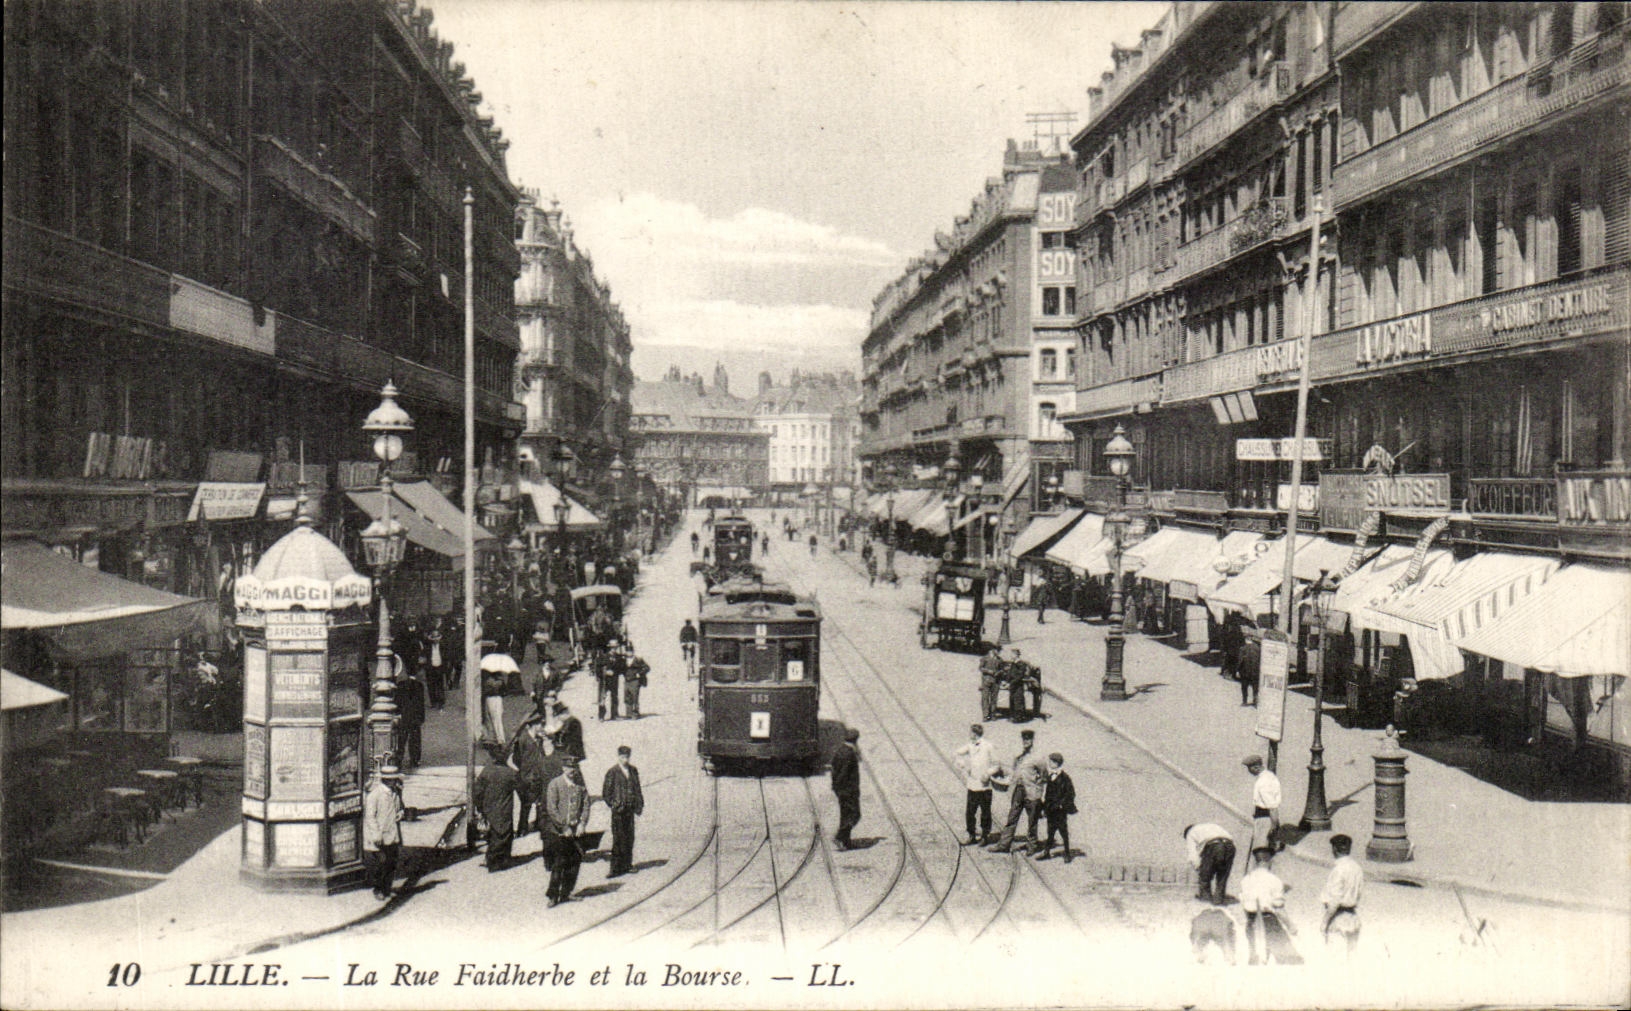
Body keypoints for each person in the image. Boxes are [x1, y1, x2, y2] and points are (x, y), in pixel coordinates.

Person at [1240, 847, 1302, 965]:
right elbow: (1278, 908)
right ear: (1270, 861)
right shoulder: (1274, 880)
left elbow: (1244, 904)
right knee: (1292, 961)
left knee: (1256, 960)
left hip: (1251, 922)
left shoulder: (1245, 880)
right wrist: (1291, 926)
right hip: (1269, 922)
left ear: (1256, 861)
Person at [544, 756, 591, 907]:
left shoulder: (580, 786)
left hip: (575, 831)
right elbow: (552, 808)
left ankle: (567, 892)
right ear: (563, 768)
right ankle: (553, 895)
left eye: (574, 768)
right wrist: (564, 827)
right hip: (559, 833)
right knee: (559, 864)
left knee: (574, 863)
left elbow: (586, 805)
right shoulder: (555, 784)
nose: (572, 771)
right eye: (569, 768)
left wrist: (582, 824)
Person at [990, 729, 1045, 854]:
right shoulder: (1019, 757)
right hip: (1019, 791)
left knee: (1032, 821)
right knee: (1012, 817)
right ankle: (1004, 844)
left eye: (1028, 739)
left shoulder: (1038, 757)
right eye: (1024, 739)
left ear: (1032, 740)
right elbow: (1014, 772)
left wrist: (1037, 788)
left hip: (1032, 792)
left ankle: (1032, 845)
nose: (1026, 742)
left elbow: (1044, 775)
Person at [362, 764, 405, 900]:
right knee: (381, 863)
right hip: (379, 835)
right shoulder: (375, 795)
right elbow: (370, 816)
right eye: (393, 779)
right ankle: (378, 888)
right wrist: (376, 834)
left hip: (392, 834)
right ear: (386, 780)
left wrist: (400, 813)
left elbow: (399, 807)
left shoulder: (395, 793)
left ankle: (387, 888)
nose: (396, 782)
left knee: (391, 863)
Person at [601, 745, 645, 877]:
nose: (625, 760)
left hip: (629, 809)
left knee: (629, 837)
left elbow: (637, 788)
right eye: (622, 757)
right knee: (618, 839)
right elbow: (606, 793)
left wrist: (639, 804)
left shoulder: (633, 771)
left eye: (627, 757)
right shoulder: (612, 772)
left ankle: (627, 865)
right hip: (618, 811)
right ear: (618, 757)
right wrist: (614, 804)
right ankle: (615, 868)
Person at [476, 743, 518, 871]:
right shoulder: (511, 773)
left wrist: (480, 808)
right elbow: (523, 788)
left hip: (488, 808)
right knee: (504, 833)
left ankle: (493, 858)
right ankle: (497, 860)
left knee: (492, 833)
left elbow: (477, 791)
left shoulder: (486, 771)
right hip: (504, 808)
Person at [1320, 834, 1363, 957]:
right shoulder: (1357, 868)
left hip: (1338, 919)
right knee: (1352, 957)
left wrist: (1324, 923)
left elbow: (1335, 901)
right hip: (1353, 918)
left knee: (1336, 960)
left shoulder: (1338, 870)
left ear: (1334, 849)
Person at [954, 723, 997, 845]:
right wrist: (963, 765)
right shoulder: (970, 745)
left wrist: (988, 774)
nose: (969, 735)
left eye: (971, 733)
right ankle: (971, 835)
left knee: (985, 812)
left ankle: (985, 835)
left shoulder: (988, 746)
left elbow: (996, 764)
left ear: (975, 734)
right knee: (970, 812)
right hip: (973, 785)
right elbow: (957, 753)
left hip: (984, 786)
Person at [1036, 753, 1077, 862]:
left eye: (1051, 762)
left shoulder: (1065, 778)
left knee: (1063, 832)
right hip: (1050, 809)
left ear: (1056, 763)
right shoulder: (1050, 776)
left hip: (1059, 811)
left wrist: (1061, 804)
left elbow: (1071, 793)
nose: (1049, 763)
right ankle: (1047, 852)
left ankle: (1067, 853)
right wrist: (1045, 807)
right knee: (1050, 832)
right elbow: (1048, 794)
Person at [1184, 822, 1238, 905]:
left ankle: (1205, 900)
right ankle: (1218, 900)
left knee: (1204, 876)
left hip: (1214, 846)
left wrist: (1199, 867)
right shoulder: (1210, 826)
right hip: (1230, 846)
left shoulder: (1190, 833)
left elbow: (1193, 854)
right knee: (1222, 876)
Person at [1243, 755, 1281, 866]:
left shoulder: (1263, 782)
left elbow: (1272, 806)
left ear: (1255, 767)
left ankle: (1259, 872)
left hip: (1264, 817)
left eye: (1249, 768)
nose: (1248, 771)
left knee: (1260, 849)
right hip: (1264, 816)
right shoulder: (1269, 776)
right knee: (1264, 847)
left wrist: (1274, 825)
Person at [830, 726, 861, 850]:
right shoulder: (849, 754)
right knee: (854, 814)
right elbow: (843, 774)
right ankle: (839, 836)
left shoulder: (840, 750)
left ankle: (846, 842)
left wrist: (836, 787)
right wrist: (843, 789)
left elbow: (834, 769)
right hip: (847, 790)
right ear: (855, 740)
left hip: (842, 789)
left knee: (845, 814)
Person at [396, 665, 428, 769]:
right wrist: (421, 717)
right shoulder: (419, 686)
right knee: (415, 739)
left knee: (401, 739)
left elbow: (398, 702)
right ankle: (415, 760)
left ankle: (398, 759)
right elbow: (421, 703)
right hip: (415, 717)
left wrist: (398, 713)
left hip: (404, 716)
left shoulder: (401, 685)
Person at [542, 693, 585, 761]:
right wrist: (551, 735)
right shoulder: (567, 722)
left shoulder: (574, 722)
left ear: (564, 713)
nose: (558, 718)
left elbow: (569, 738)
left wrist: (555, 738)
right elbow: (561, 733)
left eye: (558, 716)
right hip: (569, 753)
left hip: (573, 754)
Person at [480, 657, 508, 745]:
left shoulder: (488, 678)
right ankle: (497, 737)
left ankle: (498, 738)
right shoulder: (499, 678)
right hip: (496, 697)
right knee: (496, 718)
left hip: (492, 698)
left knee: (494, 718)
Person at [597, 640, 624, 721]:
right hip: (604, 681)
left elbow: (622, 668)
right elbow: (597, 669)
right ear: (609, 648)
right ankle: (601, 716)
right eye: (612, 648)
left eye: (615, 647)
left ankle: (614, 714)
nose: (614, 649)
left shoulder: (619, 657)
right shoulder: (603, 657)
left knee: (614, 697)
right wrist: (604, 672)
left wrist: (615, 672)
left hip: (614, 680)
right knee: (602, 698)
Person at [623, 648, 650, 719]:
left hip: (635, 680)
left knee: (635, 697)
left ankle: (635, 713)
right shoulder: (623, 660)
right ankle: (628, 714)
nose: (629, 653)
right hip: (627, 680)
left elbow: (647, 668)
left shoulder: (638, 660)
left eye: (630, 651)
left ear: (633, 652)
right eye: (627, 651)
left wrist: (639, 673)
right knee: (627, 696)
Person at [978, 647, 1003, 722]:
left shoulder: (1000, 660)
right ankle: (985, 715)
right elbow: (980, 668)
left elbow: (1002, 669)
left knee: (994, 699)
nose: (998, 652)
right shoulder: (985, 658)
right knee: (985, 698)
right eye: (997, 651)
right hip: (986, 681)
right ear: (992, 650)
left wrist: (999, 672)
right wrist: (988, 671)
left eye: (999, 651)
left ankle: (993, 714)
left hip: (996, 681)